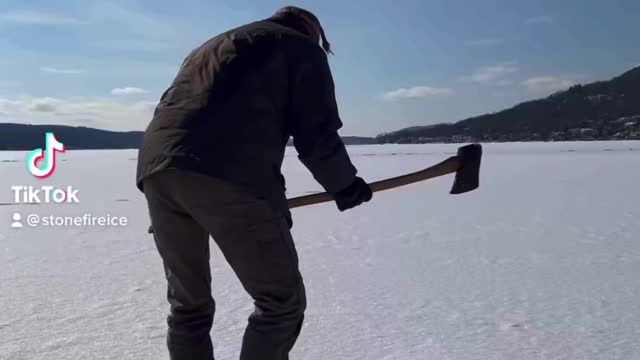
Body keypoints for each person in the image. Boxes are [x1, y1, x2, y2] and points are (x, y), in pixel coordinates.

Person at [135, 6, 373, 360]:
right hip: (229, 174)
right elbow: (316, 134)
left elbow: (173, 109)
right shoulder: (301, 48)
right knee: (280, 302)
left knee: (188, 306)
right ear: (312, 32)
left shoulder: (208, 47)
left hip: (158, 171)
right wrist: (345, 184)